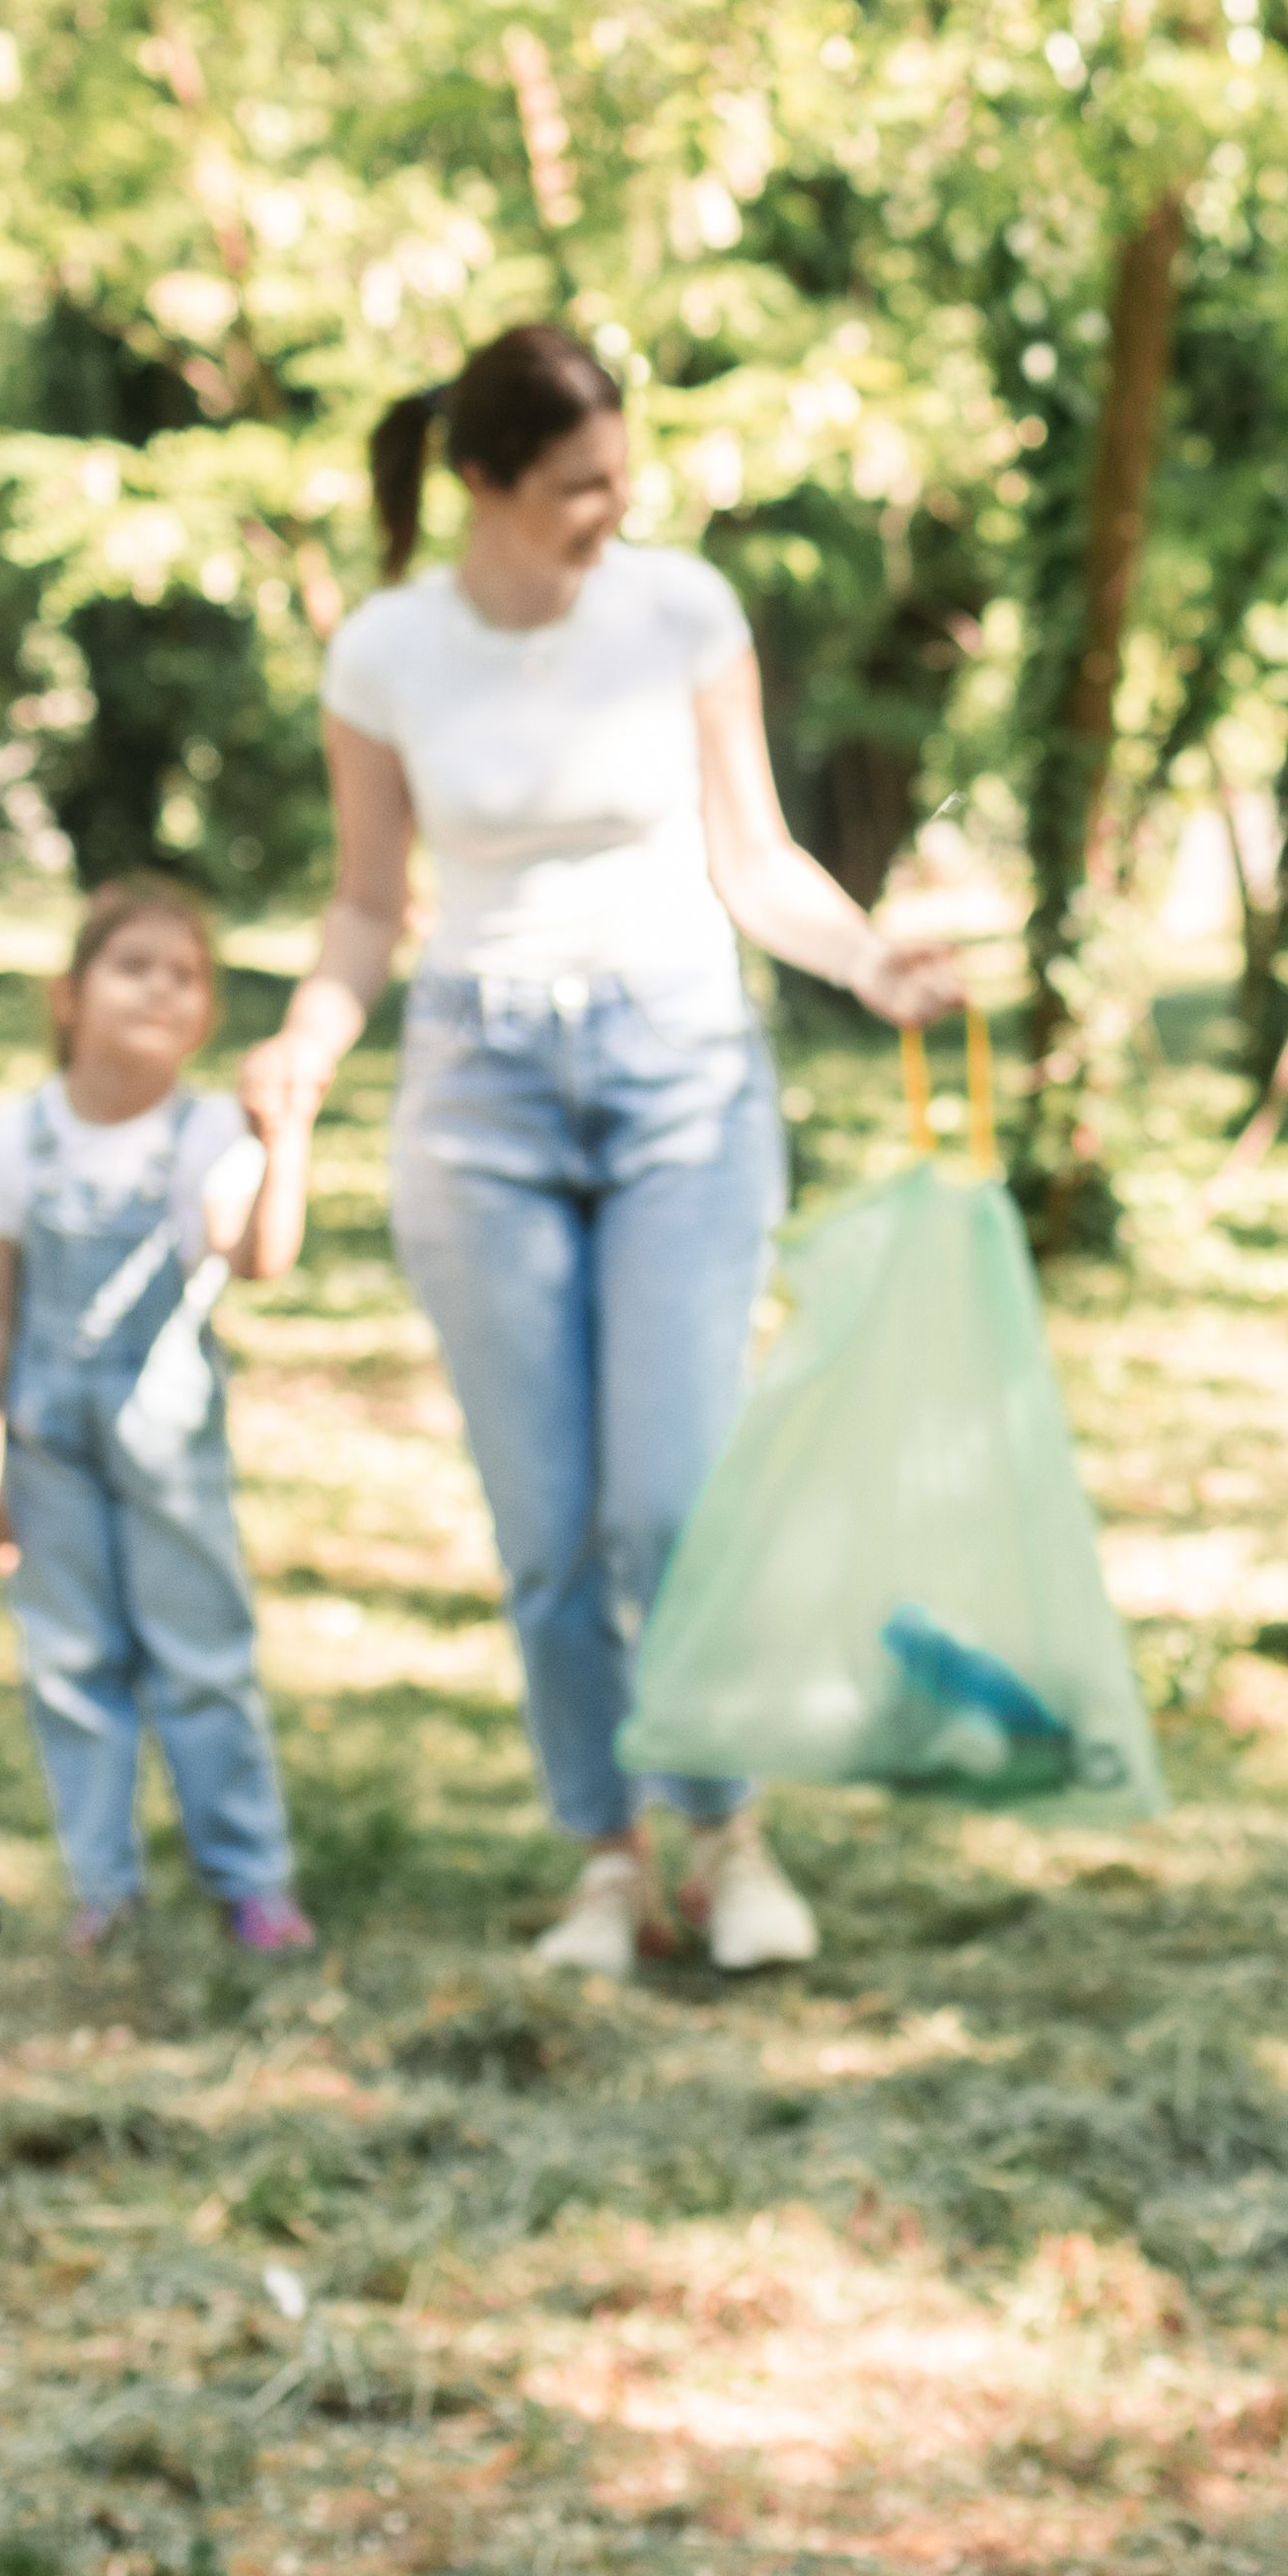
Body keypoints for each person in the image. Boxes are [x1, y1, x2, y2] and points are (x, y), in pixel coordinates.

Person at [234, 327, 956, 1977]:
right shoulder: (387, 651)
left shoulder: (680, 610)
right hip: (476, 1095)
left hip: (678, 1080)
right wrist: (305, 1046)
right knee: (550, 1527)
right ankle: (606, 1863)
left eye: (623, 476)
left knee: (669, 1504)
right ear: (483, 482)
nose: (611, 510)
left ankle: (731, 1838)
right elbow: (365, 907)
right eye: (577, 486)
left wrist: (868, 963)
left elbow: (756, 858)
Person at [0, 874, 322, 1956]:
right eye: (134, 966)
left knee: (203, 1655)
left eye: (187, 974)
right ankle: (103, 1887)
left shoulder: (208, 1130)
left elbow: (259, 1257)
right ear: (69, 993)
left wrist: (284, 1136)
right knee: (72, 1663)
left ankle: (250, 1878)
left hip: (169, 1444)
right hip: (47, 1444)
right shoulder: (16, 1137)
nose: (161, 989)